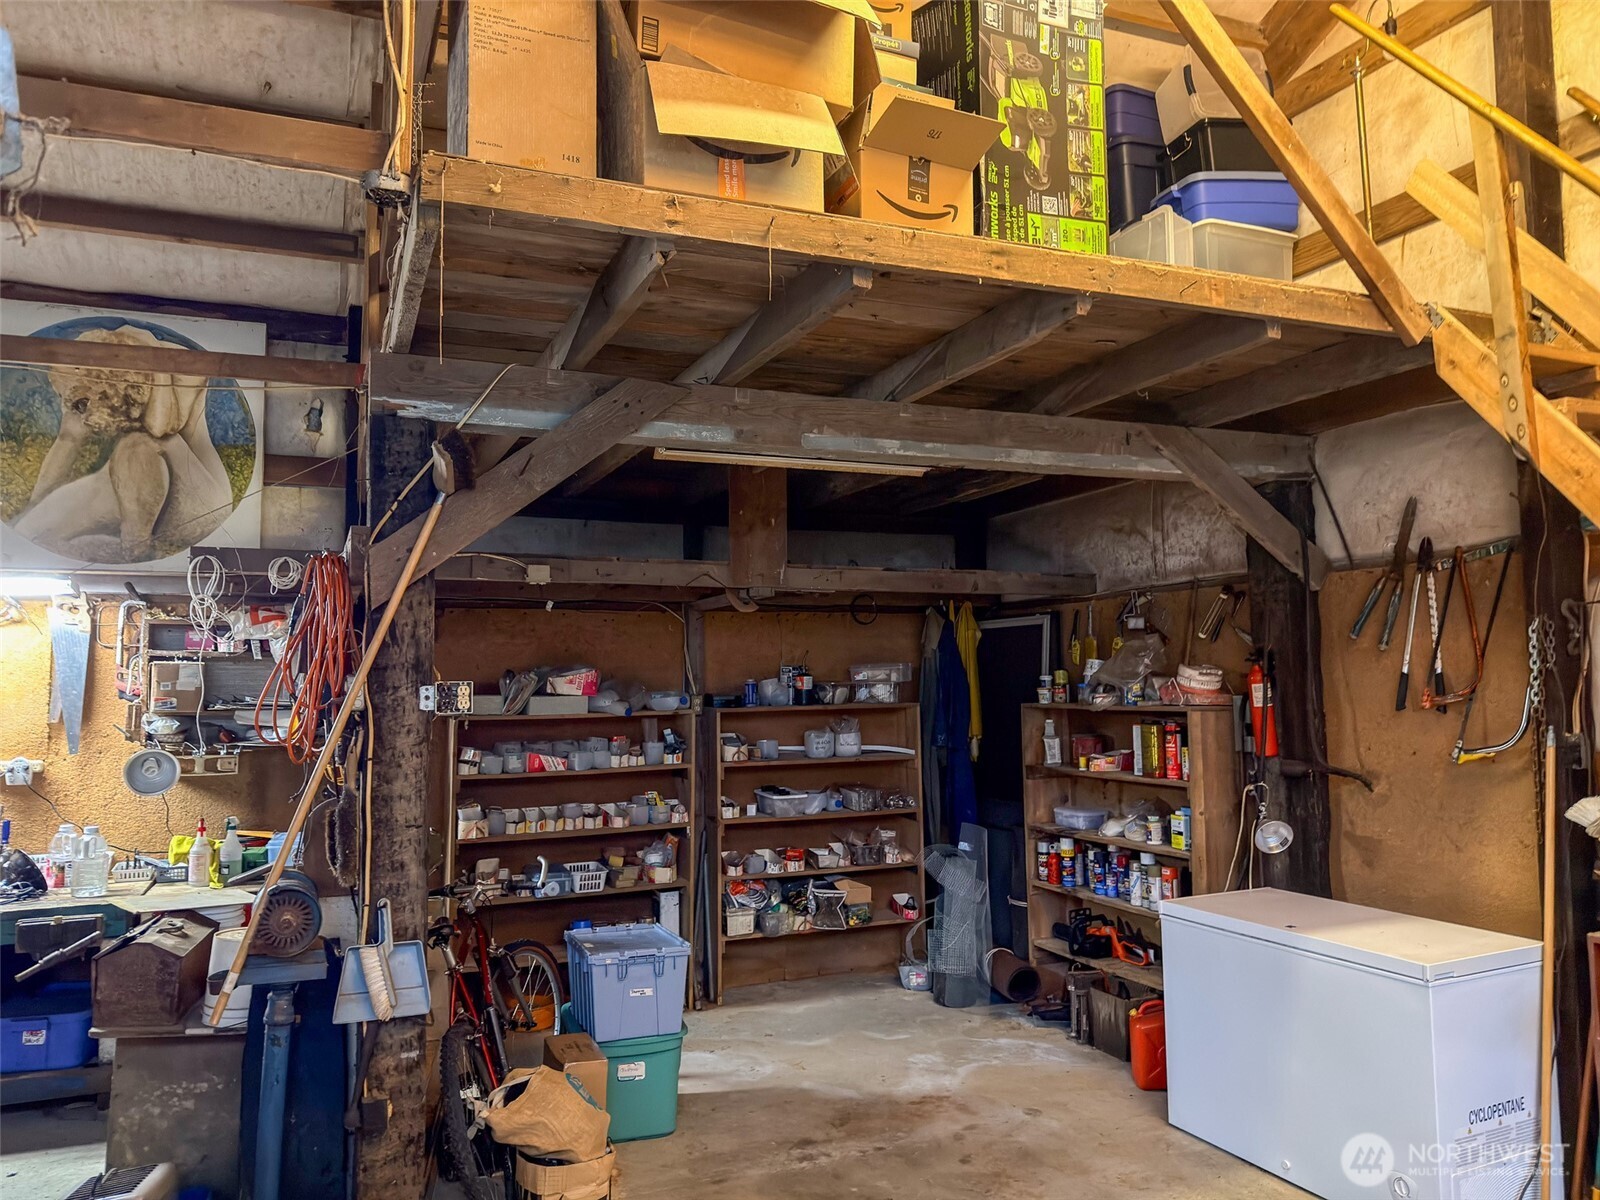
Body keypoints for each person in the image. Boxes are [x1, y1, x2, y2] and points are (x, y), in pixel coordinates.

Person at [15, 325, 234, 562]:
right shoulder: (86, 381)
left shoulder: (186, 365)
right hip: (138, 486)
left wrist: (154, 359)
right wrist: (32, 509)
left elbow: (161, 427)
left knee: (137, 444)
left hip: (201, 501)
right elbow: (68, 438)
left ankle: (135, 548)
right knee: (36, 528)